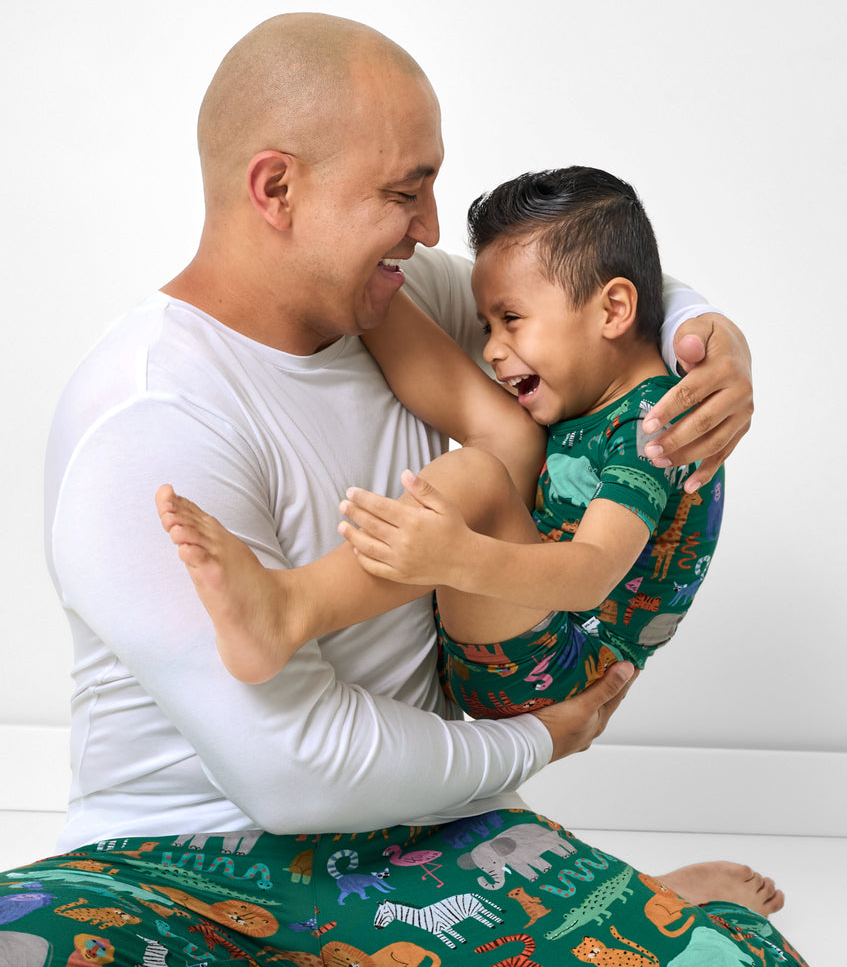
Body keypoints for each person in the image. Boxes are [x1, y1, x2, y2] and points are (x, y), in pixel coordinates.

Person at [0, 13, 847, 967]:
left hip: (418, 848)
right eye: (405, 190)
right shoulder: (146, 426)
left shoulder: (408, 300)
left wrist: (712, 348)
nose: (428, 226)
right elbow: (291, 777)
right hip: (170, 866)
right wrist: (539, 742)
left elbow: (597, 297)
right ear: (275, 188)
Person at [155, 166, 725, 725]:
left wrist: (460, 558)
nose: (496, 350)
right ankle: (337, 279)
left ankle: (290, 609)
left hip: (563, 663)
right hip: (521, 638)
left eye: (512, 319)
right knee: (506, 433)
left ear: (614, 310)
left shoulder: (657, 427)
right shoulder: (597, 397)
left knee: (478, 476)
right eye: (487, 328)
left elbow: (592, 574)